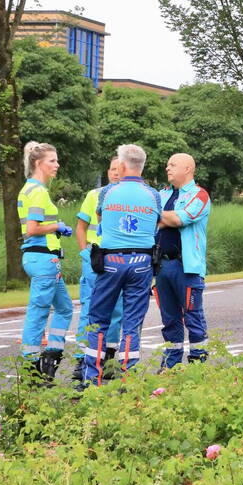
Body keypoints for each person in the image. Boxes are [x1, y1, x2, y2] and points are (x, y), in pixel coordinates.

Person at [82, 144, 161, 385]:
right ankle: (129, 381)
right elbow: (156, 223)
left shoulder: (108, 192)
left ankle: (92, 380)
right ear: (141, 167)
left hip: (111, 260)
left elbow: (100, 218)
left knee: (98, 320)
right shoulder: (153, 195)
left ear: (123, 165)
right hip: (142, 262)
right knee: (132, 323)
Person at [16, 141, 74, 383]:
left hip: (42, 258)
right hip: (42, 258)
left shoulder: (28, 188)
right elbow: (32, 229)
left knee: (65, 308)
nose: (57, 165)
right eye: (52, 160)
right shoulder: (38, 191)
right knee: (38, 313)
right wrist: (57, 226)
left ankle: (51, 359)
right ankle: (32, 370)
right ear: (38, 163)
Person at [70, 157, 125, 382]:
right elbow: (81, 227)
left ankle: (108, 358)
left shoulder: (127, 196)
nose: (115, 173)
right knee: (89, 308)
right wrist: (84, 252)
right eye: (112, 169)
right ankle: (82, 359)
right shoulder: (94, 195)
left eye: (119, 170)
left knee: (116, 310)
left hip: (117, 258)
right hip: (95, 258)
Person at [155, 153, 212, 369]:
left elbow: (181, 218)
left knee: (193, 317)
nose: (167, 168)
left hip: (186, 267)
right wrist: (165, 218)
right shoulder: (161, 194)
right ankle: (171, 366)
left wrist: (161, 217)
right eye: (167, 164)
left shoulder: (200, 195)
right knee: (169, 320)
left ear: (187, 168)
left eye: (172, 164)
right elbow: (151, 220)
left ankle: (198, 365)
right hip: (162, 265)